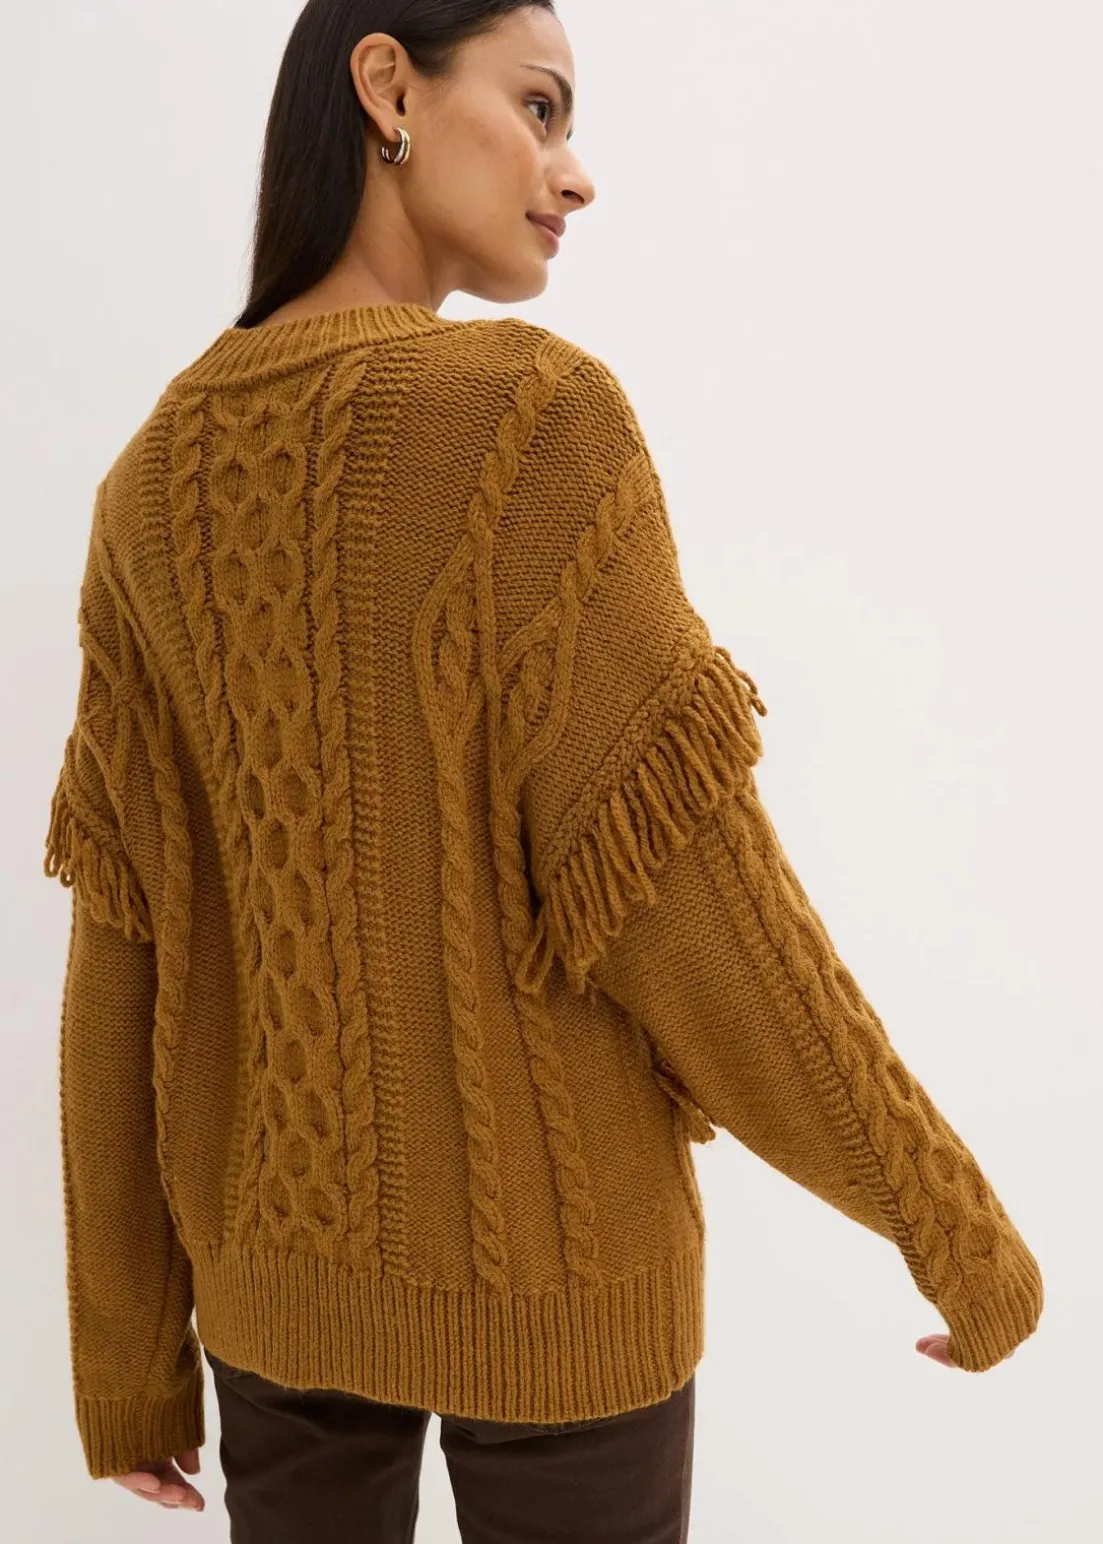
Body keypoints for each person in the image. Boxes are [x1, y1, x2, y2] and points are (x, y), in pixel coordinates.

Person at [41, 1, 1044, 1539]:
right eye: (538, 107)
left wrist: (126, 1365)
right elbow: (694, 901)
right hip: (559, 1283)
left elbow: (126, 956)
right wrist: (944, 1220)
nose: (573, 173)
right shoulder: (528, 418)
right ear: (387, 84)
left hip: (272, 1297)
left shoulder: (145, 487)